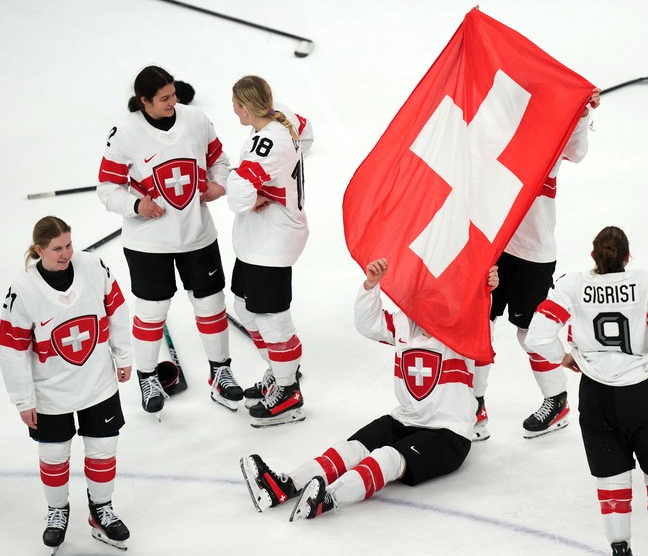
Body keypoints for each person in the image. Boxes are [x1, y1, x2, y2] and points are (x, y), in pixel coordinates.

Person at [239, 259, 498, 520]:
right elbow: (368, 323)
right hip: (403, 419)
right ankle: (283, 486)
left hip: (448, 433)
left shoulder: (464, 332)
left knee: (388, 457)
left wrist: (484, 292)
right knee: (351, 448)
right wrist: (370, 285)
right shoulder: (403, 323)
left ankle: (329, 498)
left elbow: (484, 338)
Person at [524, 226, 648, 556]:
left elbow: (538, 334)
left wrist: (564, 358)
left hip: (595, 395)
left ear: (593, 257)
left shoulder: (571, 283)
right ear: (627, 258)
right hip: (643, 392)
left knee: (611, 479)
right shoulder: (646, 281)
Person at [97, 65, 243, 415]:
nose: (173, 102)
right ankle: (148, 376)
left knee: (210, 305)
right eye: (164, 98)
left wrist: (218, 184)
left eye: (174, 94)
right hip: (149, 244)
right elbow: (106, 189)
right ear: (144, 100)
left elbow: (218, 159)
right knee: (152, 311)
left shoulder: (195, 119)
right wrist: (136, 204)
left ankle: (220, 370)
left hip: (197, 236)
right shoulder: (125, 133)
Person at [0, 217, 133, 554]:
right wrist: (22, 399)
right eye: (57, 248)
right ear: (39, 250)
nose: (66, 253)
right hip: (50, 393)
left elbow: (116, 309)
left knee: (103, 450)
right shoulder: (23, 289)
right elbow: (10, 348)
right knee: (54, 454)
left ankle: (101, 510)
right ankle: (57, 510)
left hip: (98, 382)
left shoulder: (92, 265)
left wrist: (124, 355)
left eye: (69, 245)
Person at [473, 88, 600, 441]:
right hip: (492, 247)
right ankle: (474, 403)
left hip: (533, 254)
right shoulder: (489, 137)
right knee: (479, 325)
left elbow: (577, 151)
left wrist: (583, 113)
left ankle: (556, 401)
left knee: (530, 333)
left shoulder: (545, 142)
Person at [227, 75, 309, 428]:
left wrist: (255, 194)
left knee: (272, 319)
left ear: (245, 108)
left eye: (235, 105)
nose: (233, 110)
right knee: (244, 308)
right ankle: (280, 370)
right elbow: (306, 131)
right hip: (257, 241)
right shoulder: (283, 116)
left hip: (273, 242)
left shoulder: (266, 141)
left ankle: (289, 391)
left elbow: (239, 193)